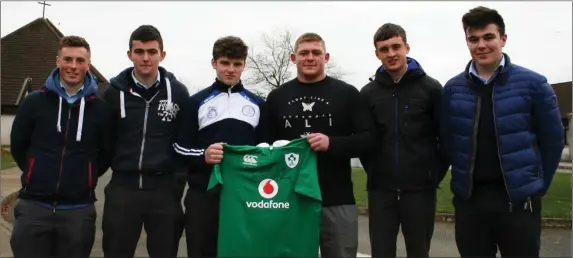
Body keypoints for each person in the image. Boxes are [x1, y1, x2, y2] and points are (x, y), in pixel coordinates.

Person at [441, 6, 565, 258]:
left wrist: (537, 184)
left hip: (518, 204)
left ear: (503, 39)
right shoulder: (453, 89)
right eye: (473, 39)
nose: (481, 45)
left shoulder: (534, 84)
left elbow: (553, 141)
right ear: (467, 42)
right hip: (471, 203)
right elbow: (447, 140)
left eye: (488, 37)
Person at [261, 32, 378, 258]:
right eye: (304, 53)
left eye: (316, 52)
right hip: (290, 198)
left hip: (337, 197)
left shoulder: (347, 94)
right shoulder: (277, 97)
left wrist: (331, 143)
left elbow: (369, 139)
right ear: (293, 58)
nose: (310, 58)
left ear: (326, 57)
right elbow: (264, 146)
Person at [9, 35, 112, 258]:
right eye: (67, 59)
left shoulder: (101, 110)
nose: (73, 66)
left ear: (88, 64)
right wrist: (34, 170)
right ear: (58, 61)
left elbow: (106, 153)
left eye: (79, 60)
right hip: (34, 208)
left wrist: (87, 175)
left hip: (78, 211)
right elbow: (18, 145)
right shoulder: (34, 102)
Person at [101, 25, 189, 258]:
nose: (146, 58)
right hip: (123, 189)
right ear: (130, 54)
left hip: (164, 190)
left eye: (152, 51)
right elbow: (104, 139)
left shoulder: (179, 93)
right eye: (139, 52)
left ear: (162, 54)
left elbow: (184, 139)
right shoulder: (112, 94)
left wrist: (175, 184)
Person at [172, 35, 265, 258]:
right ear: (214, 63)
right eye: (225, 63)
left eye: (237, 64)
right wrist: (203, 155)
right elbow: (178, 146)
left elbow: (266, 150)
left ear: (244, 65)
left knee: (243, 252)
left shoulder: (259, 105)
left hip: (245, 195)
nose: (230, 70)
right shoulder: (196, 102)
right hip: (203, 194)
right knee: (202, 251)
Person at [359, 23, 445, 258]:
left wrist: (430, 175)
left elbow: (444, 139)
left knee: (418, 252)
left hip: (420, 192)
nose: (391, 54)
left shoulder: (431, 88)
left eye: (396, 46)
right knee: (381, 252)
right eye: (383, 49)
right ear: (377, 54)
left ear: (407, 47)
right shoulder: (368, 94)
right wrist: (377, 172)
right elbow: (366, 142)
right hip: (381, 192)